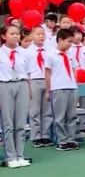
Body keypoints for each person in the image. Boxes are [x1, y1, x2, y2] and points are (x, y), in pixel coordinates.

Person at [0, 24, 32, 167]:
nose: (15, 36)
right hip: (5, 85)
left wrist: (29, 90)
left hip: (22, 84)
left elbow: (29, 73)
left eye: (17, 34)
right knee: (8, 123)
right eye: (12, 33)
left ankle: (20, 155)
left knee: (20, 123)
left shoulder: (25, 53)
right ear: (3, 36)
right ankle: (10, 156)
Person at [44, 28, 80, 151]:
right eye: (69, 41)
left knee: (72, 115)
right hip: (58, 87)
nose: (70, 45)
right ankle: (61, 140)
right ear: (60, 40)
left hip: (71, 86)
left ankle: (71, 139)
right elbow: (47, 73)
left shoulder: (70, 54)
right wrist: (49, 90)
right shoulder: (50, 54)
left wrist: (75, 82)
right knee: (59, 116)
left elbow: (75, 69)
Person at [26, 26, 53, 148]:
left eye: (43, 34)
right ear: (31, 36)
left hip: (47, 80)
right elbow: (25, 71)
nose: (41, 36)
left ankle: (45, 135)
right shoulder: (27, 52)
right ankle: (36, 136)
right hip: (34, 81)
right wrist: (28, 85)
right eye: (38, 34)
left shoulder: (49, 51)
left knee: (47, 110)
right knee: (35, 110)